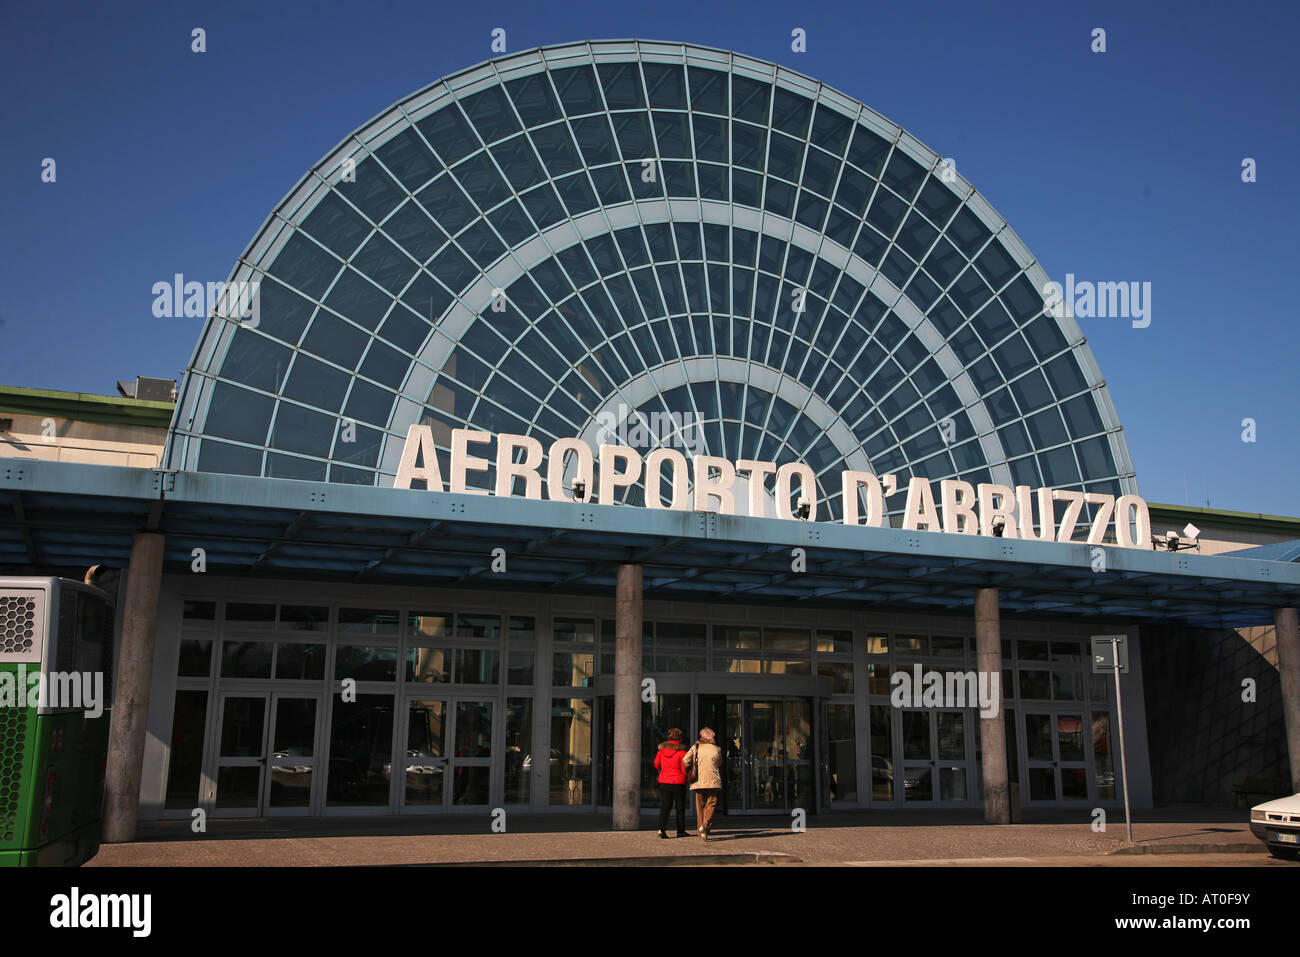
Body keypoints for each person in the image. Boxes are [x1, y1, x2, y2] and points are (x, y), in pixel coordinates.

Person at [683, 727, 723, 841]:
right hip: (713, 780)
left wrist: (688, 770)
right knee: (711, 803)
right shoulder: (717, 749)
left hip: (699, 780)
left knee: (700, 806)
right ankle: (705, 826)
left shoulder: (695, 747)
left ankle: (701, 830)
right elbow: (719, 763)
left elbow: (685, 760)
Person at [653, 727, 689, 838]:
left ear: (669, 737)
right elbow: (684, 769)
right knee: (680, 807)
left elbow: (656, 764)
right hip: (678, 782)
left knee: (665, 806)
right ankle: (680, 831)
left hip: (664, 781)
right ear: (680, 738)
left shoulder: (661, 751)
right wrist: (686, 778)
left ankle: (661, 829)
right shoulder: (682, 752)